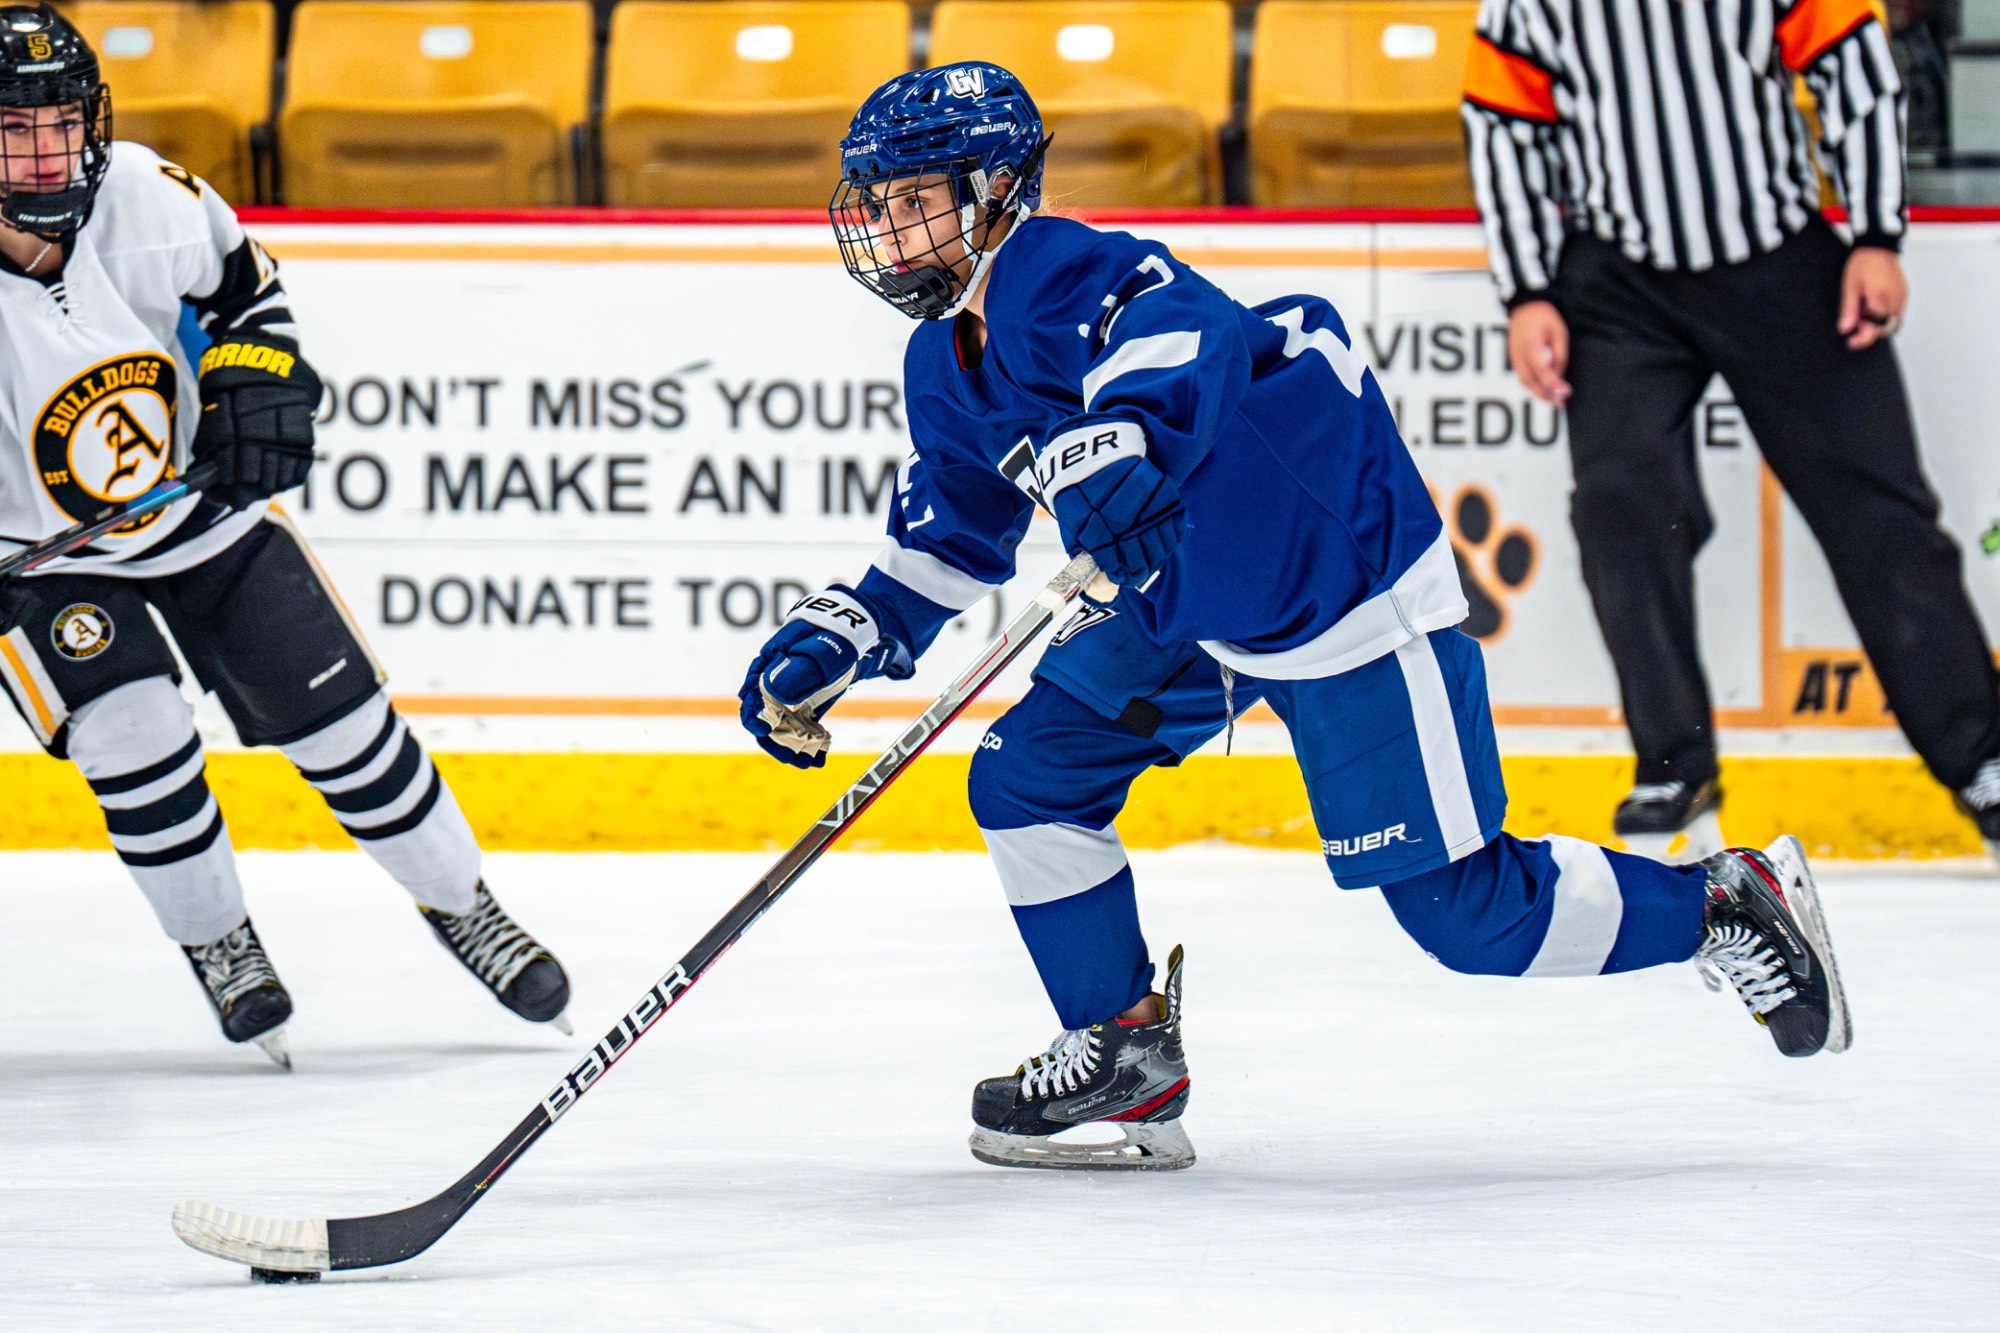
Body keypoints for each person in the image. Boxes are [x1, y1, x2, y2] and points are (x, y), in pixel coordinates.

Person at [737, 62, 1852, 1172]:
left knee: (1467, 916)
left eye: (909, 198)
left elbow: (1177, 326)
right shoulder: (941, 362)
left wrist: (1114, 437)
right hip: (1188, 597)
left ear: (991, 194)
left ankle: (1723, 903)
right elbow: (950, 533)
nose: (882, 228)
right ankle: (1125, 1047)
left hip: (1334, 583)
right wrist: (845, 630)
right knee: (1026, 775)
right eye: (873, 202)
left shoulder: (1059, 267)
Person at [0, 7, 570, 1068]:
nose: (46, 151)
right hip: (39, 560)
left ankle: (463, 905)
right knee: (132, 738)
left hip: (200, 517)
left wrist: (257, 393)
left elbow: (249, 301)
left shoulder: (146, 196)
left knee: (345, 729)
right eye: (13, 129)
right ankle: (219, 941)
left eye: (61, 121)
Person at [1462, 0, 2000, 864]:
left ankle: (1984, 758)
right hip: (1619, 284)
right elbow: (1501, 125)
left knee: (1879, 514)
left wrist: (1874, 234)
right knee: (1622, 505)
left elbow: (1854, 69)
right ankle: (1673, 763)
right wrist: (1527, 292)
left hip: (1779, 258)